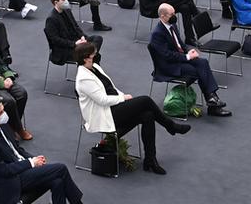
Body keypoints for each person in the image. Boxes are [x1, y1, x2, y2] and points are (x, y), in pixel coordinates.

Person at [73, 39, 189, 176]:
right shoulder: (83, 78)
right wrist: (124, 98)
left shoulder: (94, 67)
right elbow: (102, 100)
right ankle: (171, 126)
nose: (96, 55)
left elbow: (111, 88)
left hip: (114, 107)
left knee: (148, 115)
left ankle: (150, 159)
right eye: (93, 54)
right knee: (145, 100)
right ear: (86, 58)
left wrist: (124, 98)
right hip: (105, 115)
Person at [0, 93, 84, 204]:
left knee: (58, 181)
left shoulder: (1, 123)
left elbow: (17, 149)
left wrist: (33, 158)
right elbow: (4, 170)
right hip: (10, 181)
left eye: (3, 109)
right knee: (61, 169)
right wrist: (31, 163)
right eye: (0, 113)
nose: (5, 114)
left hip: (21, 168)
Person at [146, 4, 230, 116]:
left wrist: (189, 51)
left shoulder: (172, 25)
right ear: (163, 16)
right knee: (197, 71)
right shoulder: (157, 34)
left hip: (179, 59)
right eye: (171, 14)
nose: (174, 16)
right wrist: (186, 57)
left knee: (202, 62)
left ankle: (212, 99)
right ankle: (212, 104)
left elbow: (180, 43)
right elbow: (167, 55)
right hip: (168, 66)